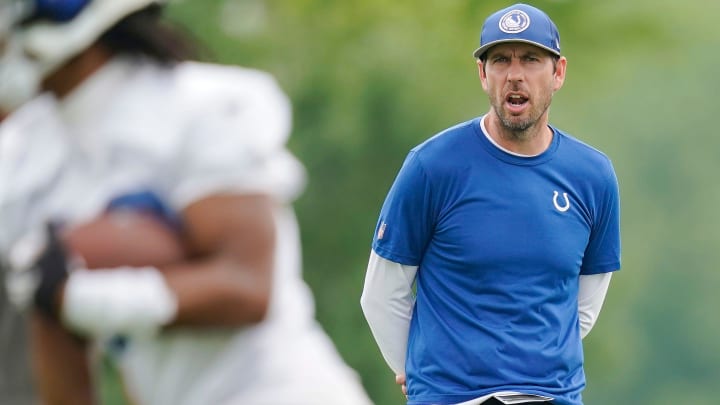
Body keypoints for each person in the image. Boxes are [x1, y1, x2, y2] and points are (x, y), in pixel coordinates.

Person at [0, 1, 373, 404]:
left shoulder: (196, 105)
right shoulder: (25, 153)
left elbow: (247, 288)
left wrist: (74, 297)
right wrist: (55, 293)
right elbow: (59, 341)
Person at [361, 3, 621, 405]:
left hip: (551, 396)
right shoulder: (432, 165)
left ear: (558, 73)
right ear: (483, 74)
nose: (515, 75)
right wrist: (416, 368)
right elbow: (382, 293)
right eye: (500, 60)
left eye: (532, 59)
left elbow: (582, 306)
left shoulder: (592, 175)